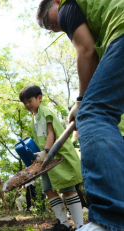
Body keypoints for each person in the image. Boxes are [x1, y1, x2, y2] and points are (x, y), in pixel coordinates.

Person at [36, 1, 124, 229]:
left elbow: (86, 50)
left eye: (47, 21)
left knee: (93, 114)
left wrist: (82, 101)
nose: (52, 28)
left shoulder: (67, 6)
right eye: (47, 29)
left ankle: (112, 220)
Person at [19, 85, 83, 231]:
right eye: (25, 103)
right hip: (45, 160)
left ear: (39, 98)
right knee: (48, 189)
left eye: (30, 101)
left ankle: (80, 226)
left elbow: (51, 133)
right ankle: (63, 225)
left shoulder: (45, 113)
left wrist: (46, 151)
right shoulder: (34, 118)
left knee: (68, 188)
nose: (27, 105)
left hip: (58, 155)